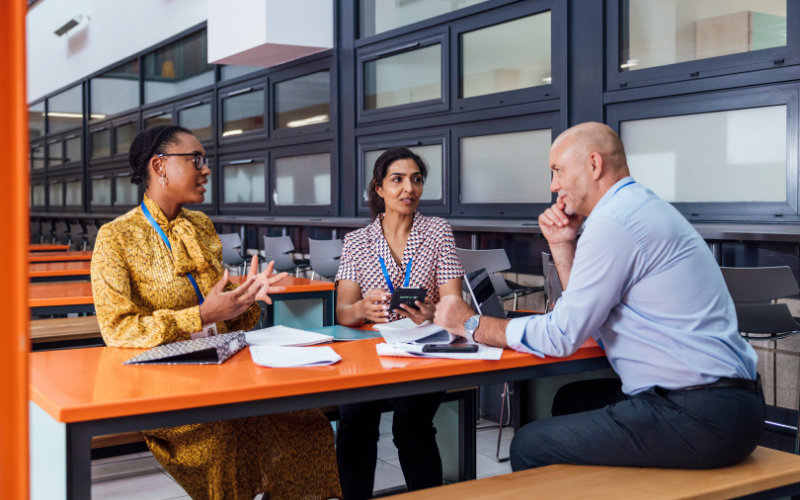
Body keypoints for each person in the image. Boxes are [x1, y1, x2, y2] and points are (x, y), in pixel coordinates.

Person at [434, 122, 763, 471]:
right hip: (725, 403)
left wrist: (470, 323)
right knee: (573, 400)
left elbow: (563, 336)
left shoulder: (614, 223)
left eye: (557, 170)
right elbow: (586, 319)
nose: (553, 185)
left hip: (699, 415)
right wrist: (562, 243)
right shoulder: (636, 207)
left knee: (530, 444)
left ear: (593, 165)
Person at [91, 125, 342, 500]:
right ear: (159, 166)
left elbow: (226, 318)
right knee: (227, 432)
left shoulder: (202, 226)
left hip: (224, 369)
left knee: (307, 423)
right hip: (161, 380)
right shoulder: (116, 238)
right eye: (196, 160)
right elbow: (118, 330)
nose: (206, 169)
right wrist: (201, 316)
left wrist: (246, 298)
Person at [334, 147, 465, 499]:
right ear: (379, 188)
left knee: (411, 424)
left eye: (416, 179)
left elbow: (455, 303)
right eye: (398, 179)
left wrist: (432, 313)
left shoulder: (437, 231)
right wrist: (362, 307)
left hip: (424, 347)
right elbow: (343, 311)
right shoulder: (357, 242)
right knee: (355, 423)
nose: (409, 188)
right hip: (370, 350)